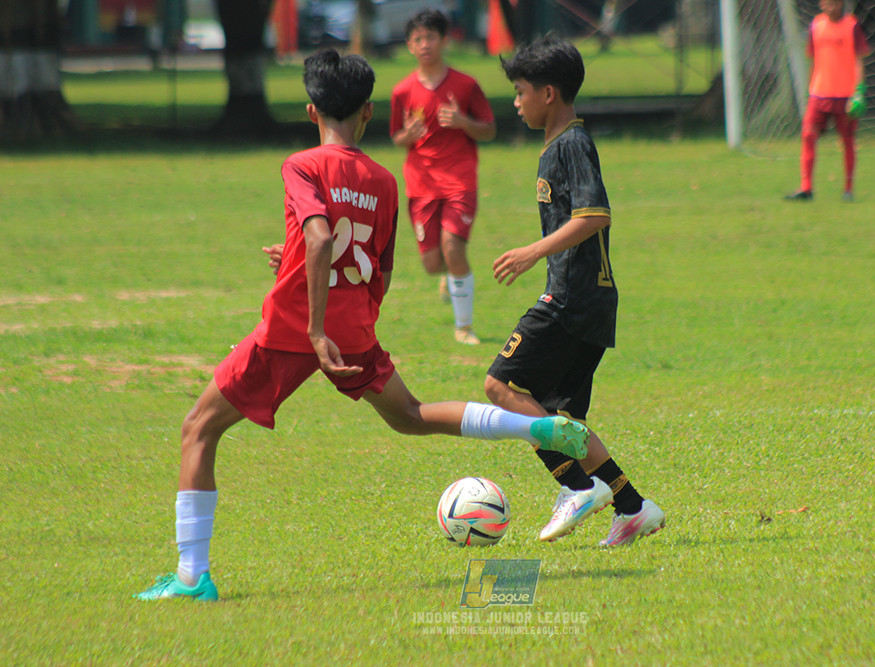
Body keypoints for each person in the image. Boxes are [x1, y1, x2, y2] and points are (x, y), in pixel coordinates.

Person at [135, 49, 588, 602]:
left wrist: (316, 328)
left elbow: (324, 237)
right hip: (353, 327)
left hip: (297, 329)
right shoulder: (383, 180)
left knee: (198, 429)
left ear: (310, 111)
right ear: (369, 112)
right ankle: (533, 428)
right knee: (411, 415)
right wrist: (328, 296)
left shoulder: (301, 164)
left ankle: (190, 577)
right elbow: (379, 269)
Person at [486, 35, 665, 547]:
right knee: (559, 419)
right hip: (588, 300)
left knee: (501, 388)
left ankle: (575, 485)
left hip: (572, 297)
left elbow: (594, 215)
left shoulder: (572, 144)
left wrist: (532, 251)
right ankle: (633, 508)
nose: (515, 102)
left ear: (548, 93)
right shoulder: (557, 145)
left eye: (520, 91)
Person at [390, 10, 497, 345]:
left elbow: (490, 130)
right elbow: (396, 137)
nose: (425, 44)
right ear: (409, 45)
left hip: (459, 180)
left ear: (444, 40)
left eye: (431, 37)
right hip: (421, 184)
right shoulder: (402, 91)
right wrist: (408, 134)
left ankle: (464, 327)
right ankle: (449, 276)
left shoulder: (465, 85)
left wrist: (464, 122)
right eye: (418, 39)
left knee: (454, 249)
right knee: (432, 263)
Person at [786, 0, 870, 203]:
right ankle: (806, 188)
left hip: (845, 95)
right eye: (825, 2)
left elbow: (859, 60)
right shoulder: (816, 25)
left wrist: (858, 91)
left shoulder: (851, 26)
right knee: (808, 135)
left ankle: (848, 189)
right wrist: (809, 90)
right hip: (819, 94)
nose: (828, 6)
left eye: (832, 2)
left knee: (847, 140)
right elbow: (813, 60)